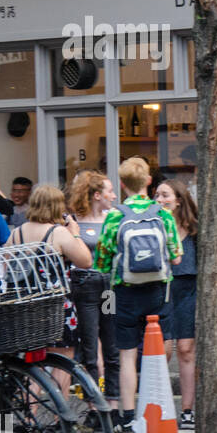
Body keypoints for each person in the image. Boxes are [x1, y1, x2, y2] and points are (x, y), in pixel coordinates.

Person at [94, 157, 183, 433]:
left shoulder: (115, 216)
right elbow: (177, 257)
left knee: (127, 355)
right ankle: (158, 408)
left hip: (126, 291)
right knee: (157, 351)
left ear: (122, 184)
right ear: (148, 181)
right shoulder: (163, 215)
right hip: (158, 291)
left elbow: (102, 261)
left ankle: (129, 414)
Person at [6, 185, 93, 396]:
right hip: (56, 307)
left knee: (31, 364)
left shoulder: (16, 233)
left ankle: (29, 417)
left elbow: (5, 264)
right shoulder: (59, 233)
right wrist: (76, 234)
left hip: (26, 308)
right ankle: (60, 420)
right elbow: (86, 261)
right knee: (64, 358)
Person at [67, 170, 121, 414]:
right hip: (84, 286)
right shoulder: (73, 220)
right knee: (90, 346)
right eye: (110, 191)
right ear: (97, 195)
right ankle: (94, 406)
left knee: (111, 344)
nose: (114, 195)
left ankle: (113, 401)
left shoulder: (114, 218)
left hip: (108, 287)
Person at [155, 177, 199, 430]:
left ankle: (188, 410)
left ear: (179, 200)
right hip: (161, 288)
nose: (160, 200)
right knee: (163, 349)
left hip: (187, 288)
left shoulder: (194, 228)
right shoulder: (153, 225)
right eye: (157, 196)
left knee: (185, 348)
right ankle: (161, 408)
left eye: (165, 195)